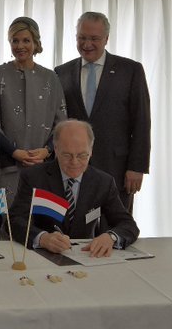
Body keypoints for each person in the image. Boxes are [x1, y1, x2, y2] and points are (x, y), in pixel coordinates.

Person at [55, 11, 151, 212]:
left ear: (106, 39)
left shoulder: (130, 70)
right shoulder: (61, 72)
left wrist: (137, 167)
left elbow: (141, 121)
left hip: (117, 167)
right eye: (82, 38)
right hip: (73, 165)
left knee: (115, 223)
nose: (87, 44)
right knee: (75, 223)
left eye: (94, 38)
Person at [9, 119, 139, 257]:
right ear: (56, 149)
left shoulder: (103, 182)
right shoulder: (34, 177)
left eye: (82, 155)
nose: (74, 162)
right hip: (42, 257)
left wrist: (111, 237)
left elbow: (128, 224)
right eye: (67, 155)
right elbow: (14, 221)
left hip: (86, 257)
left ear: (91, 151)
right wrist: (42, 238)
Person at [0, 16, 67, 209]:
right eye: (15, 41)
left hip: (43, 167)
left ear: (35, 43)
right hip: (7, 169)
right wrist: (14, 152)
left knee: (40, 220)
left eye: (26, 40)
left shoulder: (50, 78)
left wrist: (47, 150)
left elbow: (61, 123)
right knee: (6, 220)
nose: (20, 46)